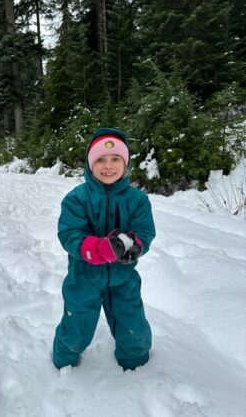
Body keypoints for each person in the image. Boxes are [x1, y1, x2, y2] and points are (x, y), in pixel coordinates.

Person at [52, 127, 156, 371]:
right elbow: (70, 234)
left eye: (115, 159)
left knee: (134, 329)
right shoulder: (76, 199)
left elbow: (144, 232)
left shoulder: (137, 200)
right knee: (76, 327)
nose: (108, 166)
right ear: (90, 164)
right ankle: (63, 361)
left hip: (124, 278)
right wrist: (99, 249)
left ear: (126, 163)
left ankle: (136, 365)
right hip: (83, 278)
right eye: (100, 159)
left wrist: (135, 246)